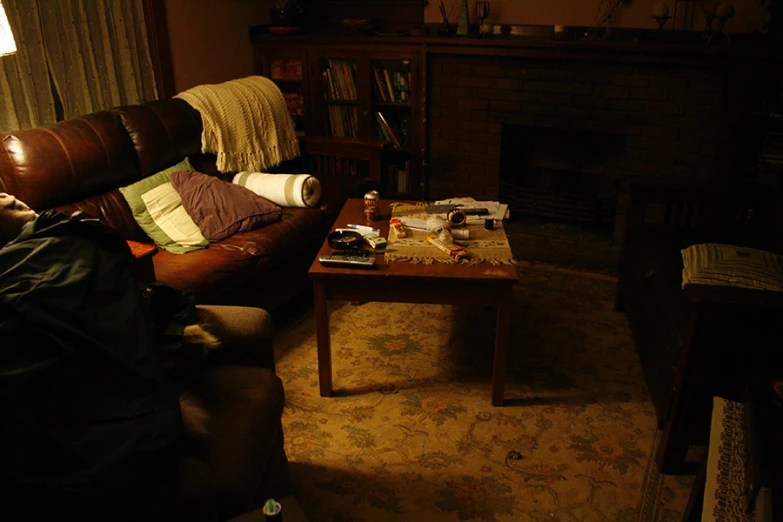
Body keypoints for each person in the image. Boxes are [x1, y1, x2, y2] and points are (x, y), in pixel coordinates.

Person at [0, 193, 219, 520]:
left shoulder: (72, 237)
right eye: (4, 201)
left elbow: (114, 286)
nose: (10, 196)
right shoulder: (32, 257)